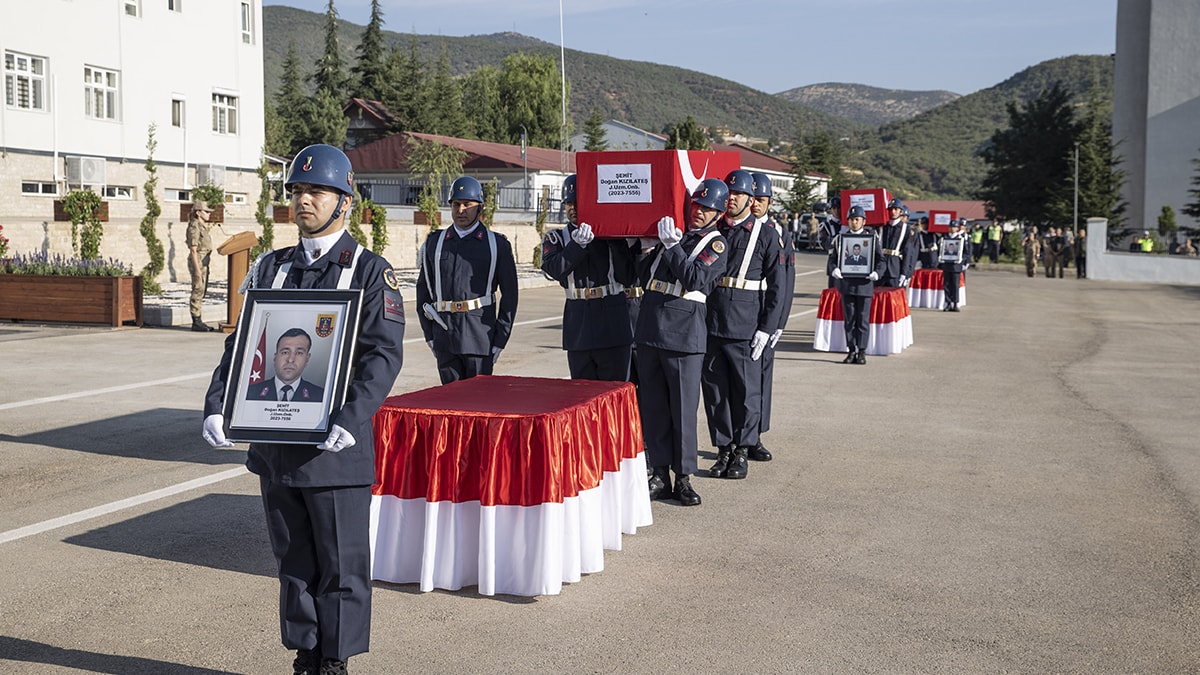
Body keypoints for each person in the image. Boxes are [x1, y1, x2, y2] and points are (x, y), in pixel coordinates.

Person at [200, 143, 406, 675]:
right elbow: (242, 346)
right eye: (296, 191)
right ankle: (306, 653)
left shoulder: (369, 270)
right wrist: (218, 404)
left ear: (345, 201)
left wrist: (350, 418)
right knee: (293, 562)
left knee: (341, 565)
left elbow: (382, 356)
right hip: (276, 448)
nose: (303, 201)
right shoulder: (271, 266)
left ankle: (335, 661)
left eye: (316, 191)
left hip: (334, 451)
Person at [636, 177, 729, 506]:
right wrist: (649, 248)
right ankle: (659, 473)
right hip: (651, 326)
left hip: (684, 334)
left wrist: (672, 247)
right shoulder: (672, 235)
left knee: (683, 411)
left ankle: (684, 477)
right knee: (654, 408)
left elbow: (695, 279)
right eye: (697, 205)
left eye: (707, 209)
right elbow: (642, 276)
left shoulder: (717, 245)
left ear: (718, 215)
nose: (699, 212)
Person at [700, 170, 783, 480]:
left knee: (746, 391)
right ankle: (723, 448)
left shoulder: (766, 235)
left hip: (746, 324)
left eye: (738, 194)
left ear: (751, 198)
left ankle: (742, 451)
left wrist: (767, 327)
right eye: (729, 193)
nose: (731, 198)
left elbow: (777, 285)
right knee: (715, 391)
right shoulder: (714, 229)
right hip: (711, 320)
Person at [416, 176, 519, 385]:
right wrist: (429, 334)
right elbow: (424, 291)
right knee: (450, 408)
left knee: (478, 406)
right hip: (445, 336)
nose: (461, 210)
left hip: (480, 337)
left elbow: (510, 295)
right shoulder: (435, 243)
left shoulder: (496, 244)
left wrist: (500, 339)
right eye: (456, 204)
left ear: (479, 207)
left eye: (467, 204)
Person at [540, 174, 638, 381]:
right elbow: (555, 269)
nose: (572, 208)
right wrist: (577, 246)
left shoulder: (611, 236)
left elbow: (628, 276)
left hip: (612, 316)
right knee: (582, 395)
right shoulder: (556, 237)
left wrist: (612, 237)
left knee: (614, 393)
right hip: (579, 320)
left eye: (578, 203)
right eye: (568, 204)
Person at [748, 172, 793, 465]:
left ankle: (756, 436)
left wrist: (778, 322)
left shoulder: (778, 232)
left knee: (762, 374)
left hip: (767, 305)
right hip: (743, 306)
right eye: (752, 199)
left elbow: (786, 280)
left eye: (761, 200)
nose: (755, 205)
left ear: (770, 203)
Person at [828, 205, 884, 364]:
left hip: (865, 285)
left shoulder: (872, 239)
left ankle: (862, 351)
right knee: (849, 320)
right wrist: (834, 270)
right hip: (847, 284)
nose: (854, 222)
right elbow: (832, 259)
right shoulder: (841, 239)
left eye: (857, 219)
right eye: (851, 219)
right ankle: (851, 350)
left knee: (862, 320)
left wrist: (877, 273)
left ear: (863, 221)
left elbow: (881, 260)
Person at [247, 327, 325, 402]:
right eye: (285, 352)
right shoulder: (250, 393)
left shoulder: (321, 396)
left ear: (307, 359)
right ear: (275, 357)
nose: (290, 360)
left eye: (299, 353)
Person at [186, 199, 217, 332]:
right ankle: (196, 321)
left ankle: (199, 319)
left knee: (202, 290)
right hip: (198, 260)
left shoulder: (202, 226)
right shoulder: (194, 226)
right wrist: (197, 270)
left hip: (204, 261)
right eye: (206, 212)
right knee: (198, 290)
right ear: (198, 213)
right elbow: (193, 250)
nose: (209, 214)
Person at [878, 197, 916, 288]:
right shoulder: (881, 227)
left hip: (894, 270)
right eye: (890, 209)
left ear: (900, 211)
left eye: (896, 209)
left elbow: (907, 253)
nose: (893, 212)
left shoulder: (906, 229)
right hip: (880, 270)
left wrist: (904, 273)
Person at [940, 218, 969, 311]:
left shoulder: (961, 239)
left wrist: (963, 261)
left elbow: (966, 252)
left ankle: (955, 303)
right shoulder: (945, 238)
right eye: (951, 227)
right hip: (946, 264)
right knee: (947, 285)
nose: (952, 229)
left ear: (957, 228)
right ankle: (948, 303)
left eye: (954, 227)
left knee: (955, 285)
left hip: (956, 266)